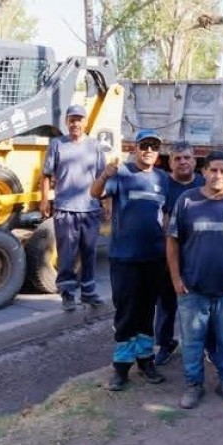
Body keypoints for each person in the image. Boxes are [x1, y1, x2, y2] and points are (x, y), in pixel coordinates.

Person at [167, 151, 223, 409]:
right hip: (192, 289)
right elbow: (172, 241)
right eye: (212, 170)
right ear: (203, 172)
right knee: (193, 342)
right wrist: (175, 278)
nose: (217, 175)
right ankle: (194, 385)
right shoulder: (187, 201)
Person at [90, 129, 170, 391]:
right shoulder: (122, 173)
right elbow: (94, 193)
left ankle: (145, 360)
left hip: (154, 258)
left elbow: (166, 217)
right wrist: (104, 174)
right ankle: (121, 367)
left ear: (158, 152)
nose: (148, 150)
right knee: (126, 310)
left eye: (153, 146)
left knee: (147, 311)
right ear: (135, 148)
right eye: (144, 145)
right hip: (124, 257)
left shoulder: (162, 178)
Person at [40, 104, 106, 311]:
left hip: (91, 210)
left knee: (89, 253)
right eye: (72, 119)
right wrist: (44, 200)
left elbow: (103, 177)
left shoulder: (95, 146)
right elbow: (46, 175)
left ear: (85, 122)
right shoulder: (57, 145)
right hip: (65, 209)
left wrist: (107, 203)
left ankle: (88, 292)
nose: (75, 123)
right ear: (67, 122)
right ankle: (67, 294)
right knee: (67, 255)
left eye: (79, 119)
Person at [154, 142, 205, 366]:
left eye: (187, 157)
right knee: (166, 303)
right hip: (169, 255)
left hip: (199, 256)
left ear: (194, 161)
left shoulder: (205, 183)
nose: (183, 162)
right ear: (171, 162)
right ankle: (165, 344)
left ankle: (200, 346)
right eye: (177, 158)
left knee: (200, 305)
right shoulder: (163, 183)